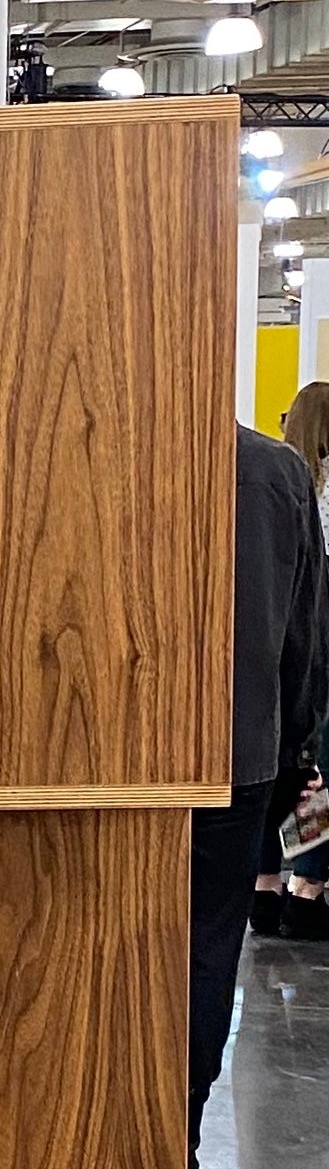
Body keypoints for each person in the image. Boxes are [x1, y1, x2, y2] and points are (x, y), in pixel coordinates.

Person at [192, 418, 329, 1169]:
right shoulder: (276, 473)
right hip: (240, 750)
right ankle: (176, 1132)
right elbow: (305, 629)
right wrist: (299, 748)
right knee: (207, 949)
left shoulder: (98, 442)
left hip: (111, 759)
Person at [253, 384, 329, 941]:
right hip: (320, 646)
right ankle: (308, 884)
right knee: (319, 778)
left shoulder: (275, 478)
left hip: (274, 645)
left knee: (281, 768)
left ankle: (264, 886)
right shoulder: (317, 488)